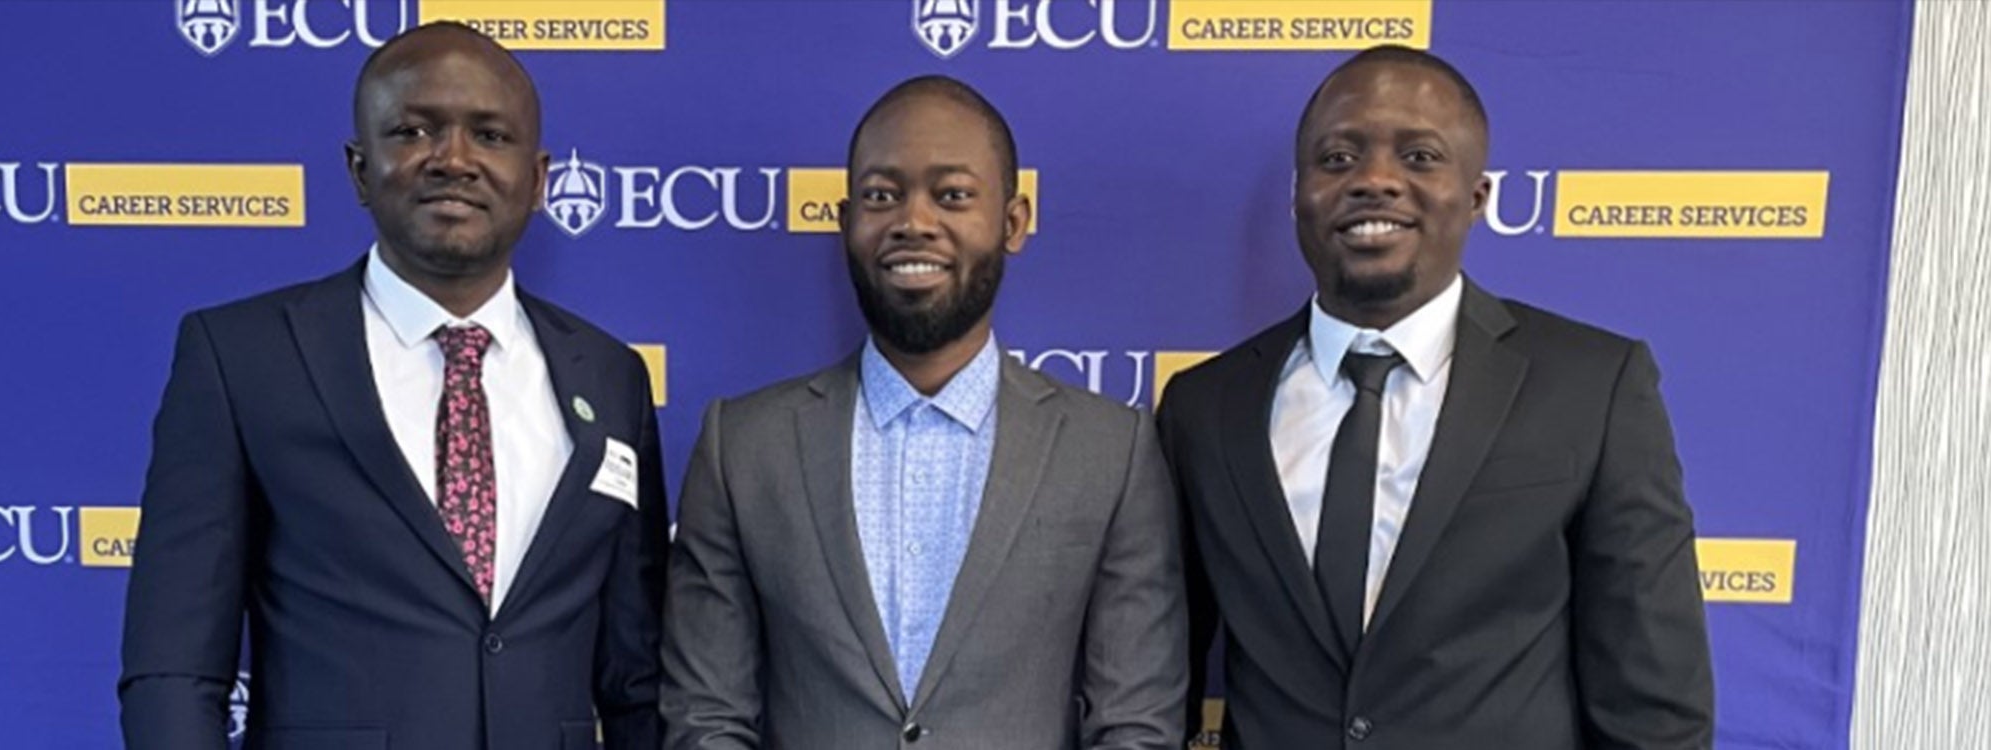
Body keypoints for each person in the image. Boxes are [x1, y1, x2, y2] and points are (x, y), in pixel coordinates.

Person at [120, 22, 666, 750]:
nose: (454, 160)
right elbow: (173, 668)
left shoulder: (610, 375)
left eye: (491, 136)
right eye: (413, 130)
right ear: (358, 168)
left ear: (537, 181)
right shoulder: (240, 357)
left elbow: (636, 674)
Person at [1158, 45, 1715, 749]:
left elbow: (1654, 698)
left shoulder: (1593, 386)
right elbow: (1159, 675)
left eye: (1419, 157)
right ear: (1297, 194)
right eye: (1336, 160)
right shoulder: (1203, 407)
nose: (1375, 181)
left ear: (1476, 196)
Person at [660, 75, 1186, 749]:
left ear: (1014, 221)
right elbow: (706, 718)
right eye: (881, 196)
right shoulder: (742, 447)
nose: (913, 221)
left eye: (952, 195)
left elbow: (1135, 728)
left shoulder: (1111, 452)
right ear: (846, 221)